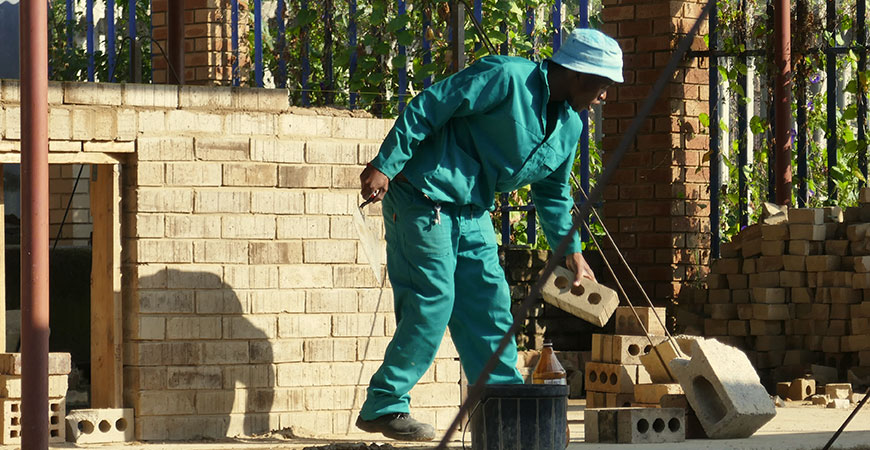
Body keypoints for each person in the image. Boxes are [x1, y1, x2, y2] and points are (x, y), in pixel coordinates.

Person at [355, 28, 624, 441]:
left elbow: (553, 192)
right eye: (603, 84)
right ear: (578, 73)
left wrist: (571, 252)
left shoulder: (569, 126)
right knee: (433, 300)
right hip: (423, 194)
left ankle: (503, 405)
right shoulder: (506, 76)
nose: (605, 96)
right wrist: (387, 163)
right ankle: (384, 404)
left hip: (473, 209)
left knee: (490, 304)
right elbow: (430, 105)